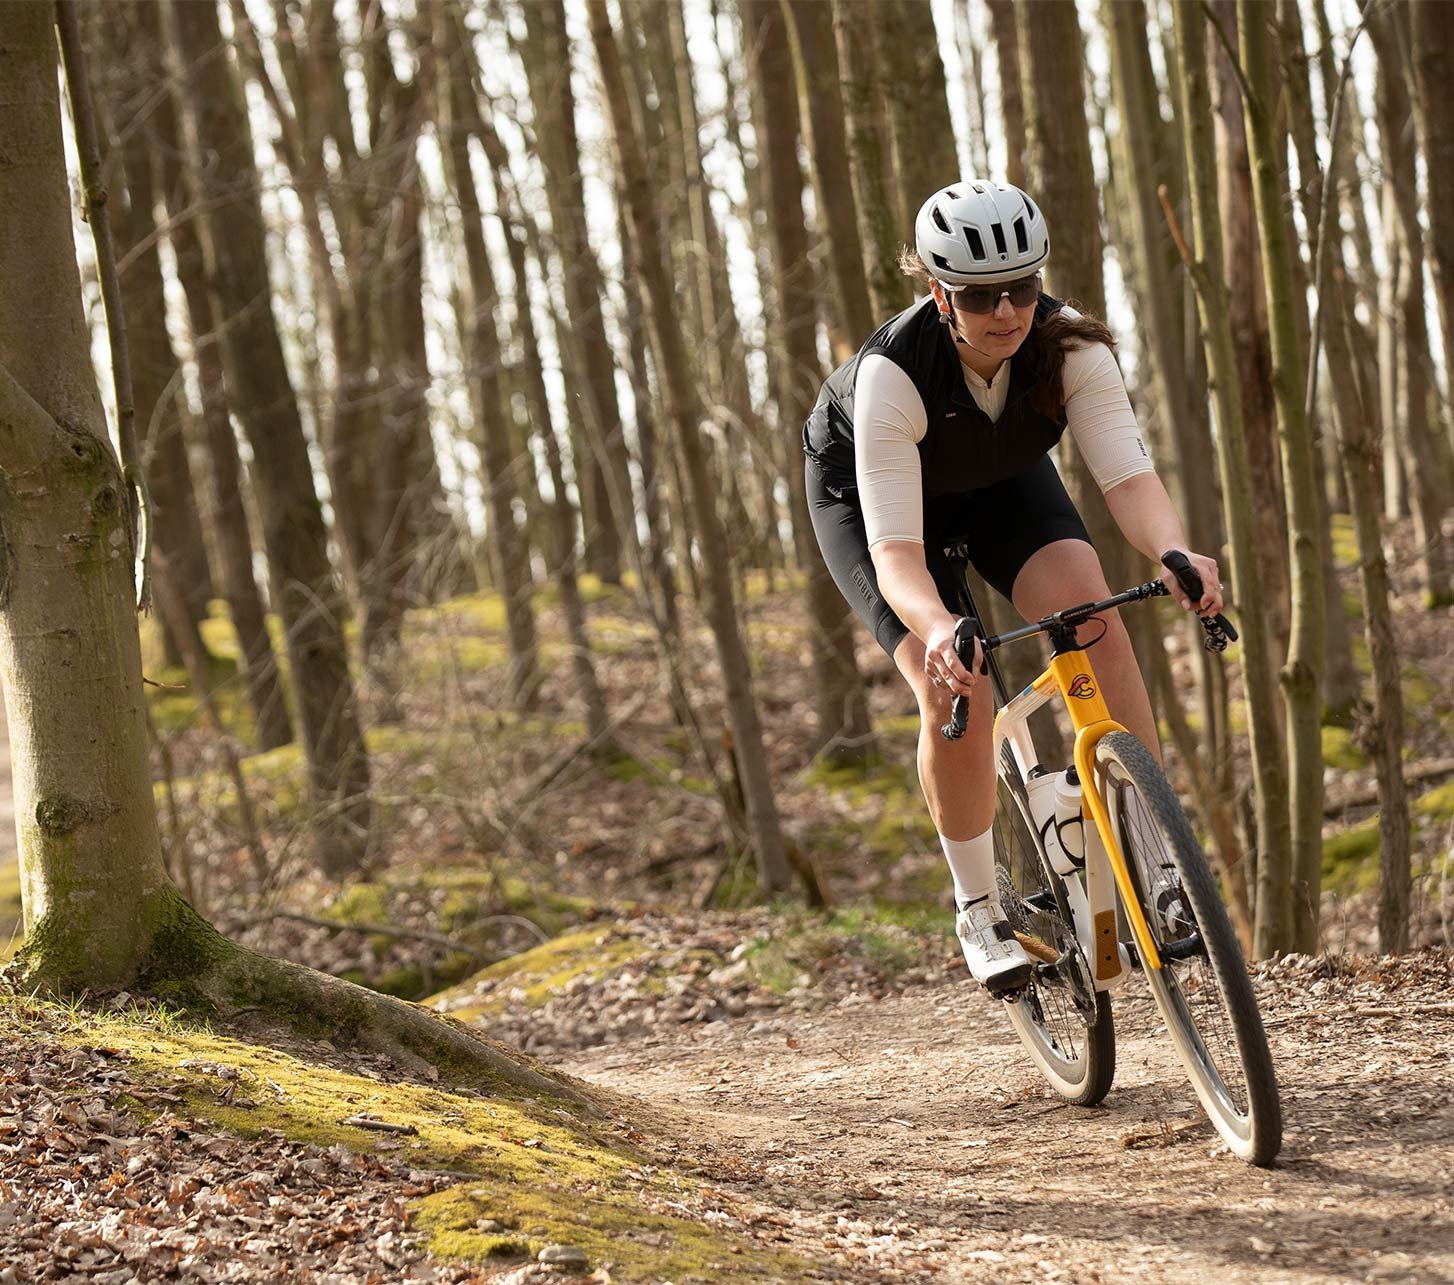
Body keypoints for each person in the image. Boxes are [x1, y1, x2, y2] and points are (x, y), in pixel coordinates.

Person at [802, 180, 1223, 994]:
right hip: (876, 504)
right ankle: (978, 908)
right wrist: (934, 628)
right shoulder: (893, 375)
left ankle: (1159, 860)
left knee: (1090, 608)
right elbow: (896, 556)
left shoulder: (1072, 349)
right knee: (958, 688)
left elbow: (1130, 483)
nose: (1005, 311)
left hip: (997, 477)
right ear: (938, 293)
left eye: (1022, 288)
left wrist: (1176, 551)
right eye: (978, 294)